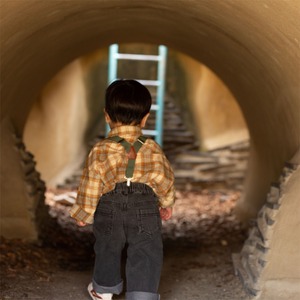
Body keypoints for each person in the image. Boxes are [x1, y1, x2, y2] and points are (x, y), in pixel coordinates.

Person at [70, 79, 175, 300]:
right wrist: (166, 204)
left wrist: (83, 213)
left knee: (107, 246)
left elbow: (91, 183)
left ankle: (104, 291)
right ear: (146, 118)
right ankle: (142, 296)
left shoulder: (100, 150)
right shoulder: (153, 149)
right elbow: (165, 179)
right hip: (145, 207)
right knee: (146, 250)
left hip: (110, 206)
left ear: (106, 115)